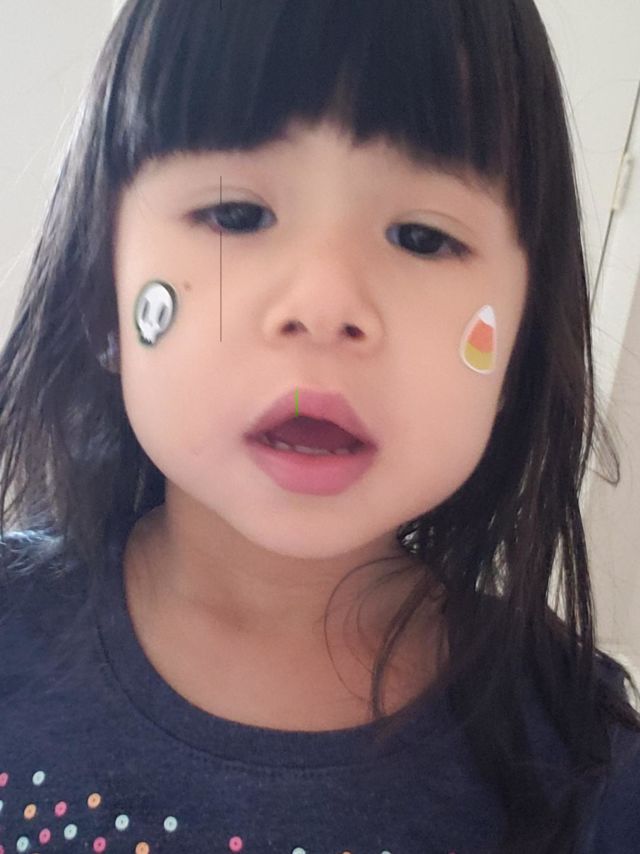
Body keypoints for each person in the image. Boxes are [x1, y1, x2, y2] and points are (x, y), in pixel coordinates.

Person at [0, 0, 638, 851]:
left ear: (519, 348)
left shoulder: (579, 758)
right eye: (235, 215)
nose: (326, 304)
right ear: (99, 298)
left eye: (422, 237)